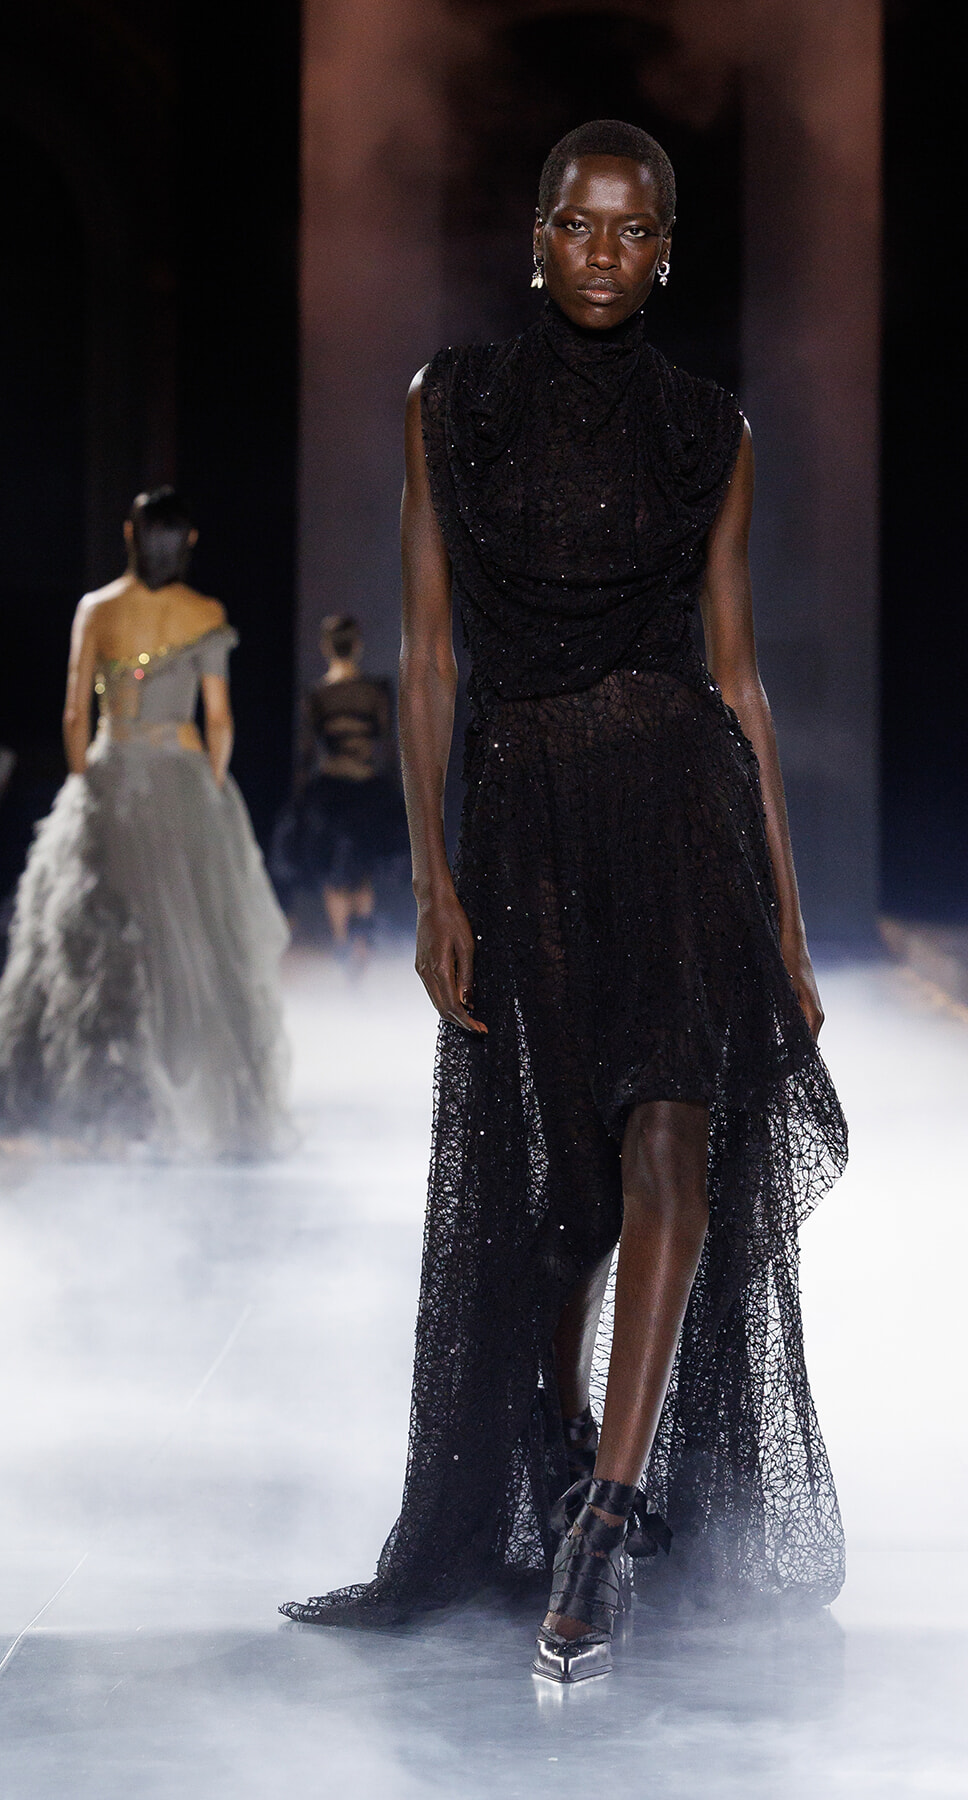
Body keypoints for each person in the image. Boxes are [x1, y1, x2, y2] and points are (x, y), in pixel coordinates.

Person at [282, 121, 847, 1680]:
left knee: (674, 1140)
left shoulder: (708, 429)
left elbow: (737, 681)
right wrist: (429, 874)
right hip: (525, 828)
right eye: (579, 226)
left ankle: (602, 1517)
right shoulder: (448, 406)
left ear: (670, 248)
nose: (605, 251)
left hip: (680, 819)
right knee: (568, 1204)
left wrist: (787, 924)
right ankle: (555, 1431)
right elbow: (431, 653)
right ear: (535, 237)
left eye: (636, 228)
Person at [0, 488, 290, 1159]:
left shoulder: (97, 609)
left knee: (102, 950)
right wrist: (212, 791)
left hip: (112, 778)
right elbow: (218, 720)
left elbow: (76, 714)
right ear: (187, 541)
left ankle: (108, 1112)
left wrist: (86, 785)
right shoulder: (204, 612)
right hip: (184, 782)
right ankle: (186, 1109)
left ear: (130, 534)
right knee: (192, 949)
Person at [270, 615, 406, 966]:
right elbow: (389, 746)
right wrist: (392, 791)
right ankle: (360, 942)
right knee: (361, 870)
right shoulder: (377, 691)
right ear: (358, 645)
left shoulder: (317, 695)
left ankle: (345, 942)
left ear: (325, 647)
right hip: (368, 789)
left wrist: (299, 803)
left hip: (329, 793)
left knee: (334, 874)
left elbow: (306, 753)